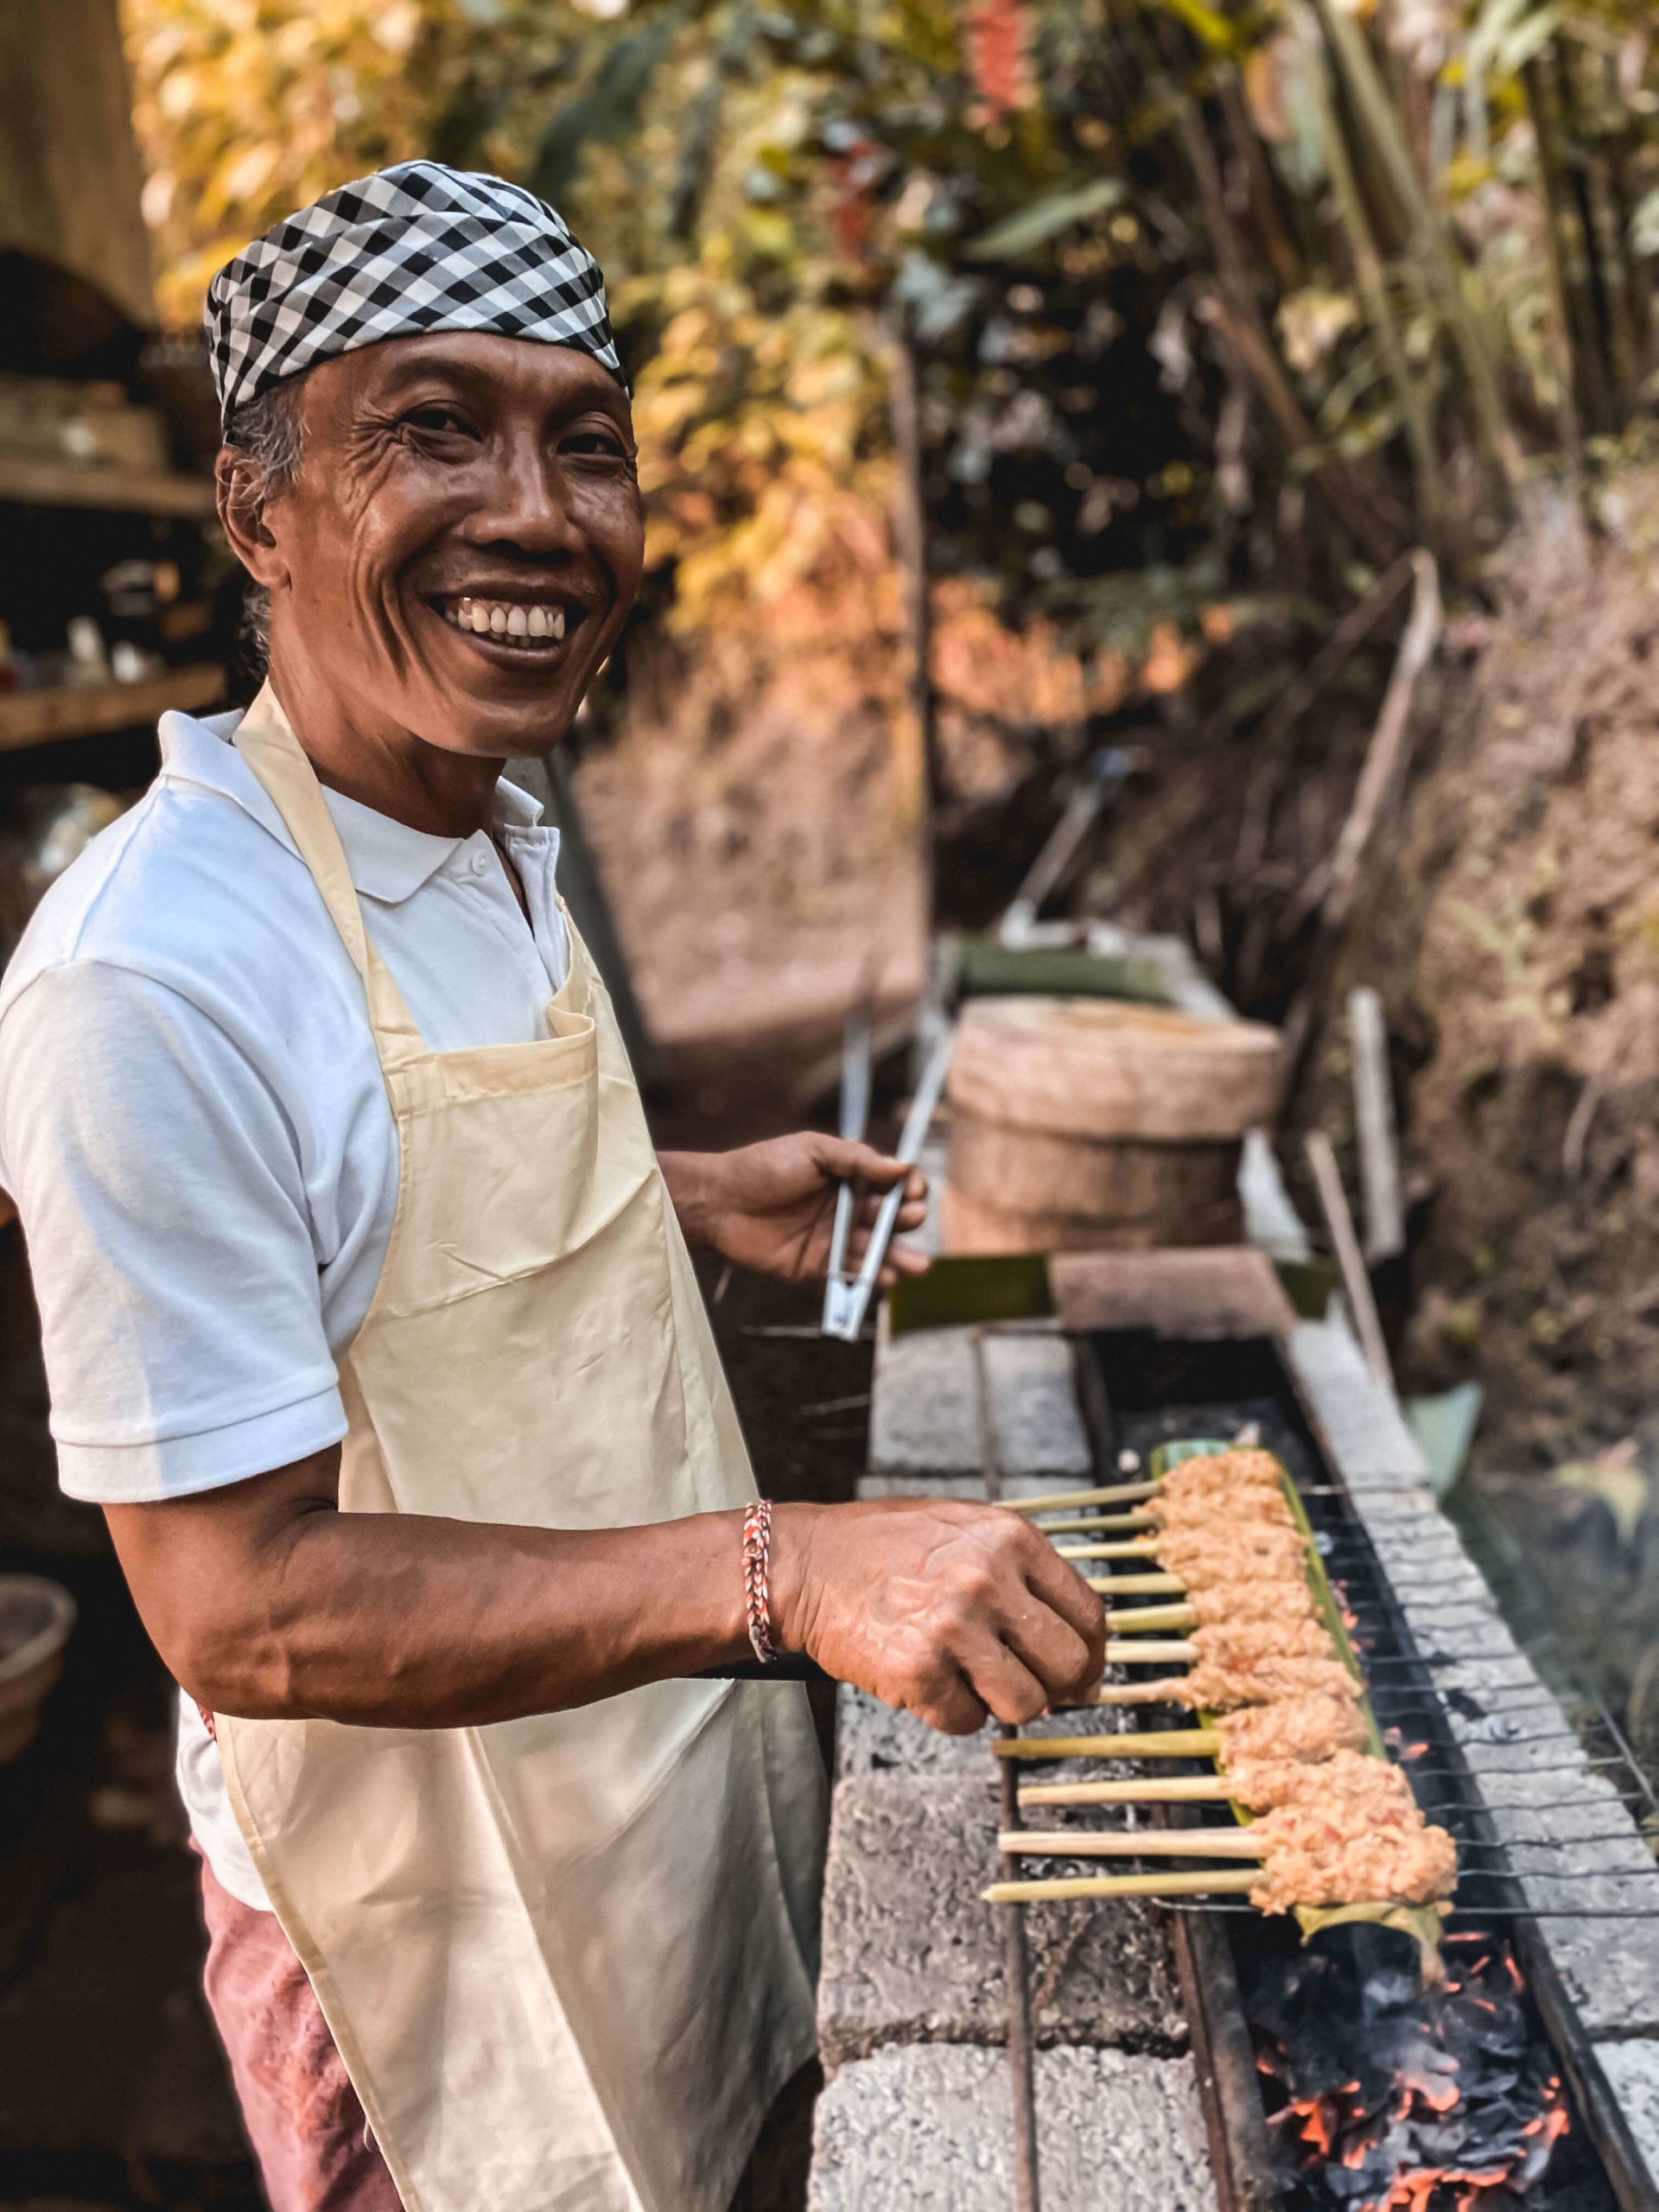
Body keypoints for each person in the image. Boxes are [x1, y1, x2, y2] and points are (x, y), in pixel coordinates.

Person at [0, 164, 1103, 2212]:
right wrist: (789, 1570)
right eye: (431, 428)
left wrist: (664, 1183)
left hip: (661, 1770)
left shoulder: (490, 812)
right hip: (429, 1918)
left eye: (583, 443)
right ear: (259, 512)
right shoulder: (148, 973)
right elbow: (239, 1599)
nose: (534, 509)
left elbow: (364, 1178)